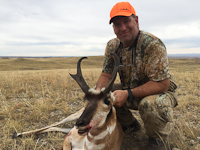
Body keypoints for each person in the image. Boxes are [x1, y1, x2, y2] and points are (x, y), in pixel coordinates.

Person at [95, 2, 178, 150]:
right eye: (117, 24)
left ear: (136, 20)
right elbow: (106, 75)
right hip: (130, 90)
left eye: (126, 21)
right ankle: (130, 125)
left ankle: (158, 140)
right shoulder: (112, 46)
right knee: (103, 93)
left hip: (160, 93)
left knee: (150, 104)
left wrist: (128, 93)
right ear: (113, 28)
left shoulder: (152, 44)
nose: (123, 28)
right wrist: (98, 93)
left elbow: (163, 84)